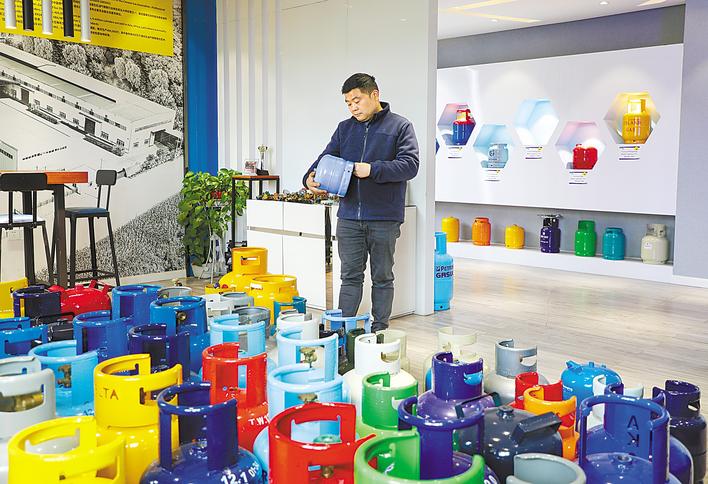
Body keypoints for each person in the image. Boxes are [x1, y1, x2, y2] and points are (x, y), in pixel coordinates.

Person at [303, 73, 419, 332]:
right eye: (348, 103)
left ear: (374, 95)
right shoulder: (344, 129)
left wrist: (372, 169)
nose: (353, 107)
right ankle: (340, 331)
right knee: (349, 277)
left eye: (357, 100)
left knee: (382, 277)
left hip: (384, 218)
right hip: (348, 218)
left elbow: (410, 165)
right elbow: (325, 157)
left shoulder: (400, 126)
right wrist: (308, 177)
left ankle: (379, 331)